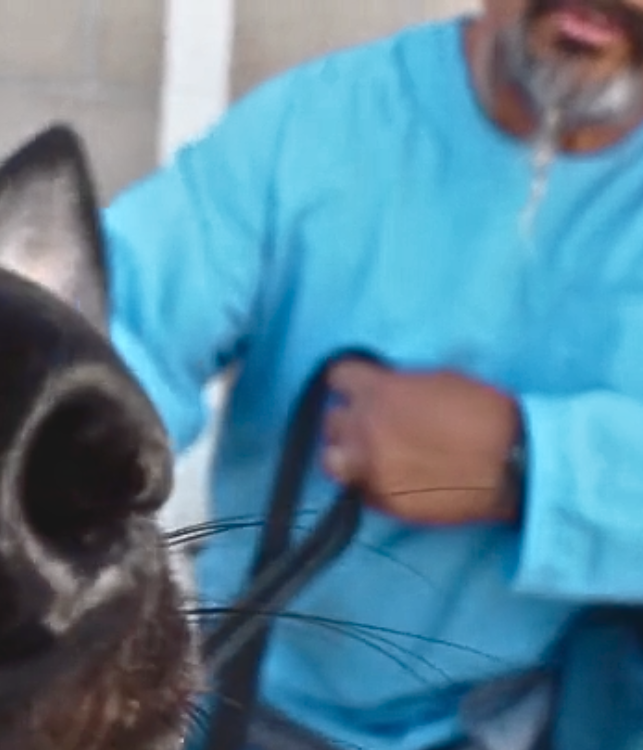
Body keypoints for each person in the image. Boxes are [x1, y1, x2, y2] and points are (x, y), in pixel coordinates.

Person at [99, 1, 643, 749]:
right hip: (257, 701)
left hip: (556, 712)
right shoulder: (319, 127)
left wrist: (529, 464)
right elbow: (115, 337)